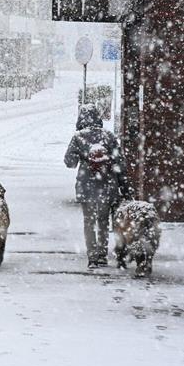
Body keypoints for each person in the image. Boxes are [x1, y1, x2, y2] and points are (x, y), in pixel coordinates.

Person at [64, 103, 131, 268]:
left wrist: (83, 156)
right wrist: (124, 187)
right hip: (107, 186)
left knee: (88, 221)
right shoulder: (108, 136)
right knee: (103, 221)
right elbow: (119, 164)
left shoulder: (78, 137)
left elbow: (70, 162)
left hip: (86, 186)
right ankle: (102, 254)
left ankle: (92, 256)